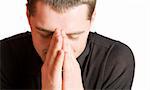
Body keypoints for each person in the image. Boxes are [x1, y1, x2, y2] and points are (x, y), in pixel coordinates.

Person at [0, 0, 135, 90]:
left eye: (74, 35)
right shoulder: (3, 57)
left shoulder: (114, 61)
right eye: (45, 34)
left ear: (92, 18)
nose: (59, 47)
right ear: (28, 16)